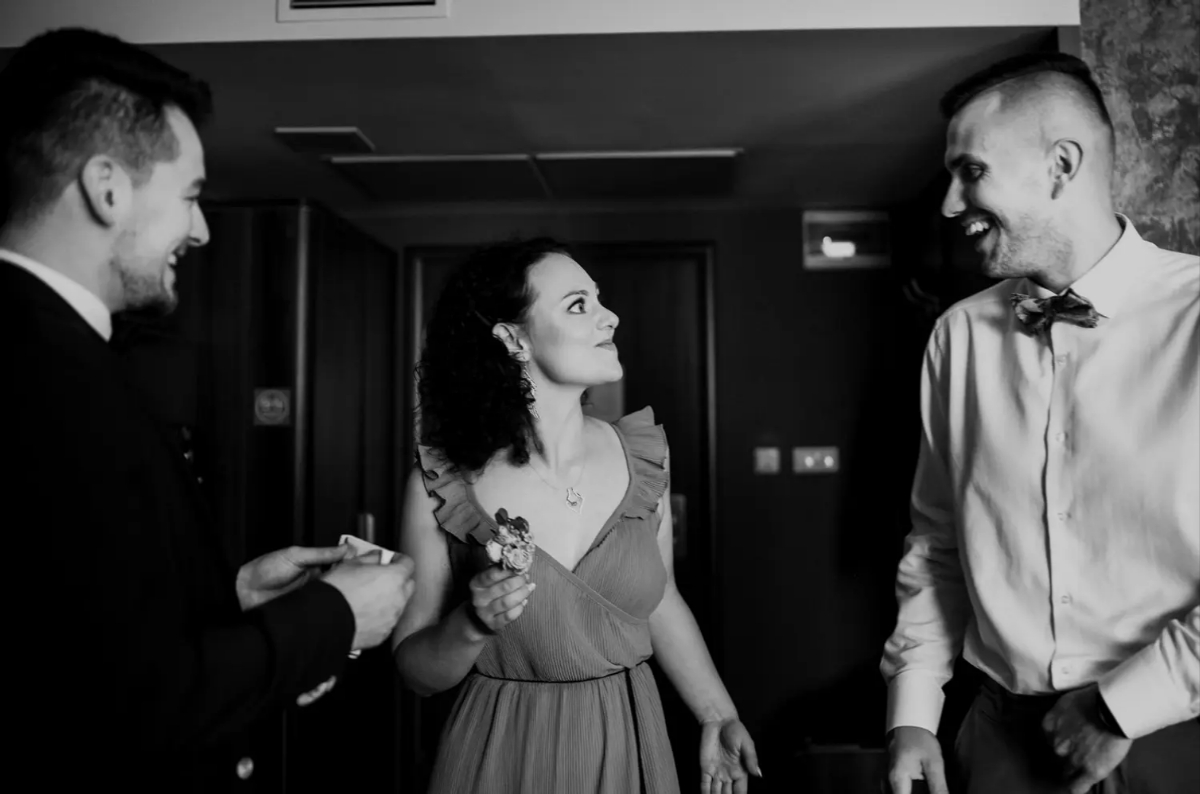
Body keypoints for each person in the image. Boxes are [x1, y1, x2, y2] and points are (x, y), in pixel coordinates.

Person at [0, 27, 416, 791]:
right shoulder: (47, 374)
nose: (201, 229)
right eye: (190, 196)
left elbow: (74, 628)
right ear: (106, 188)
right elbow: (128, 707)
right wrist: (332, 617)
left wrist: (231, 598)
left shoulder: (77, 355)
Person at [880, 52, 1199, 794]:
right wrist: (914, 712)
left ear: (1061, 165)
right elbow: (938, 541)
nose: (951, 205)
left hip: (1179, 734)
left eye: (971, 171)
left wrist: (1120, 709)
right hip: (999, 735)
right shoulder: (957, 337)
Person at [392, 237, 762, 794]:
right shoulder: (440, 483)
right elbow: (414, 671)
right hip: (501, 749)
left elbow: (661, 599)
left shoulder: (645, 458)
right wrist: (471, 624)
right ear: (513, 339)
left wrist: (717, 714)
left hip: (629, 740)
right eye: (578, 304)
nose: (610, 317)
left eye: (599, 299)